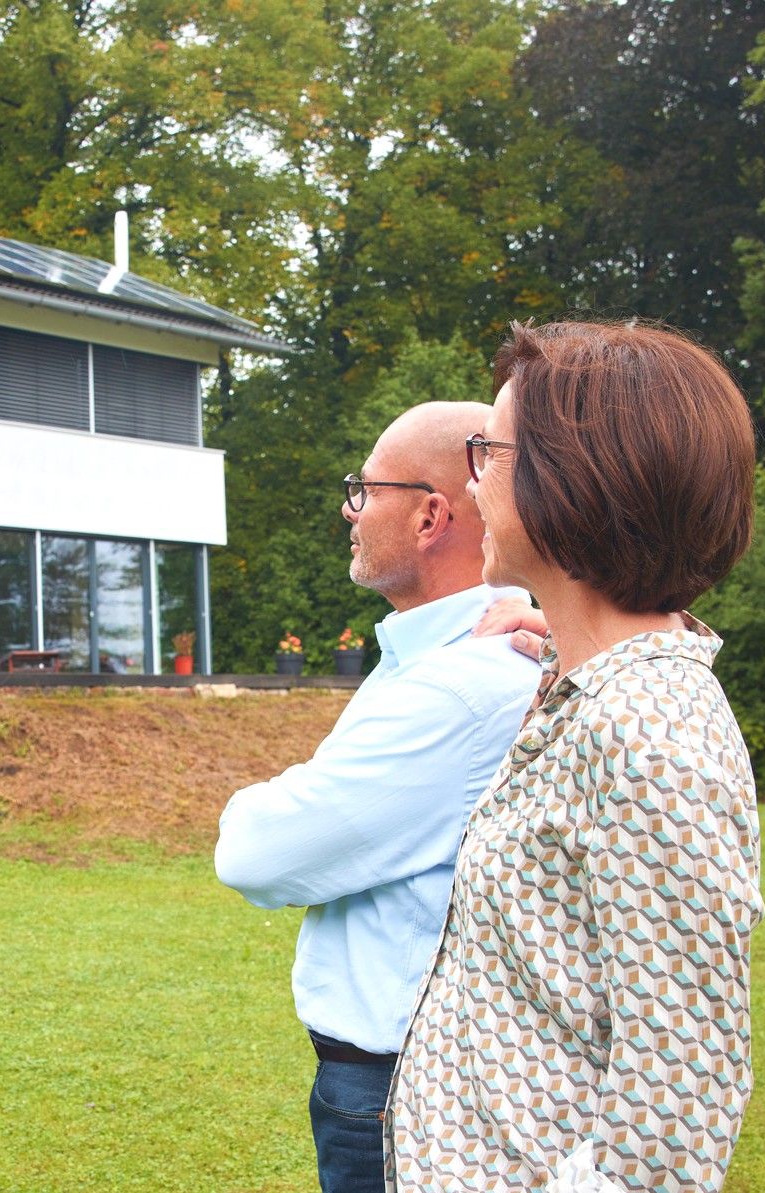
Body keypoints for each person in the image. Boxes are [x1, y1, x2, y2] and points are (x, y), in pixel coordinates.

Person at [386, 320, 764, 1192]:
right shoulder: (592, 693)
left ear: (575, 480)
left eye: (490, 450)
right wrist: (560, 641)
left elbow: (671, 1127)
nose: (472, 479)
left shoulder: (648, 735)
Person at [214, 401, 545, 1193]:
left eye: (365, 488)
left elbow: (257, 853)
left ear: (431, 514)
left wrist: (253, 801)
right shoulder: (432, 661)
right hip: (387, 1076)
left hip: (391, 1085)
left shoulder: (460, 686)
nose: (348, 507)